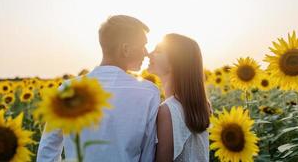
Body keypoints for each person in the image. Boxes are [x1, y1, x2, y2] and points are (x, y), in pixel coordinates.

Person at [37, 15, 160, 162]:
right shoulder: (148, 92)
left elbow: (48, 148)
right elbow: (148, 154)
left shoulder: (68, 89)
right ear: (125, 49)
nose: (146, 53)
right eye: (142, 46)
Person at [148, 33, 210, 162]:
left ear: (174, 64)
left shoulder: (168, 111)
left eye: (158, 51)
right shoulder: (201, 105)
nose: (149, 54)